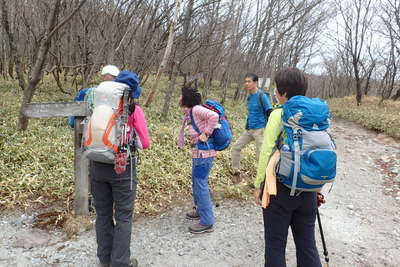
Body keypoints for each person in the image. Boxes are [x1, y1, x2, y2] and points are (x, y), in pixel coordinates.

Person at [254, 67, 322, 267]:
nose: (274, 92)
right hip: (308, 191)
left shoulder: (279, 114)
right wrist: (316, 188)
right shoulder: (315, 116)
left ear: (283, 93)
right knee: (307, 245)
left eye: (276, 89)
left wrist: (258, 185)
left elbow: (266, 152)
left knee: (275, 245)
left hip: (280, 190)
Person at [89, 72, 150, 267]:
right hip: (123, 168)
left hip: (97, 164)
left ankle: (104, 259)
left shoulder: (98, 105)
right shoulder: (134, 110)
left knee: (103, 214)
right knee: (123, 216)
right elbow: (145, 143)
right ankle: (120, 262)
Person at [178, 85, 219, 234]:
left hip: (204, 153)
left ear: (186, 98)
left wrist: (206, 133)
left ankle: (207, 222)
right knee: (197, 183)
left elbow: (214, 117)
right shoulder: (191, 112)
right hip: (199, 153)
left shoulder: (196, 109)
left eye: (181, 95)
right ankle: (201, 211)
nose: (179, 98)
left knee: (200, 184)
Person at [231, 73, 272, 181]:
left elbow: (269, 111)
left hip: (260, 130)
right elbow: (251, 112)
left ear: (255, 82)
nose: (246, 83)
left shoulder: (261, 96)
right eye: (246, 81)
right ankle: (236, 174)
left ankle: (264, 181)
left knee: (260, 157)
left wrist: (268, 129)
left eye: (249, 81)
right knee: (235, 148)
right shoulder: (249, 97)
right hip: (249, 130)